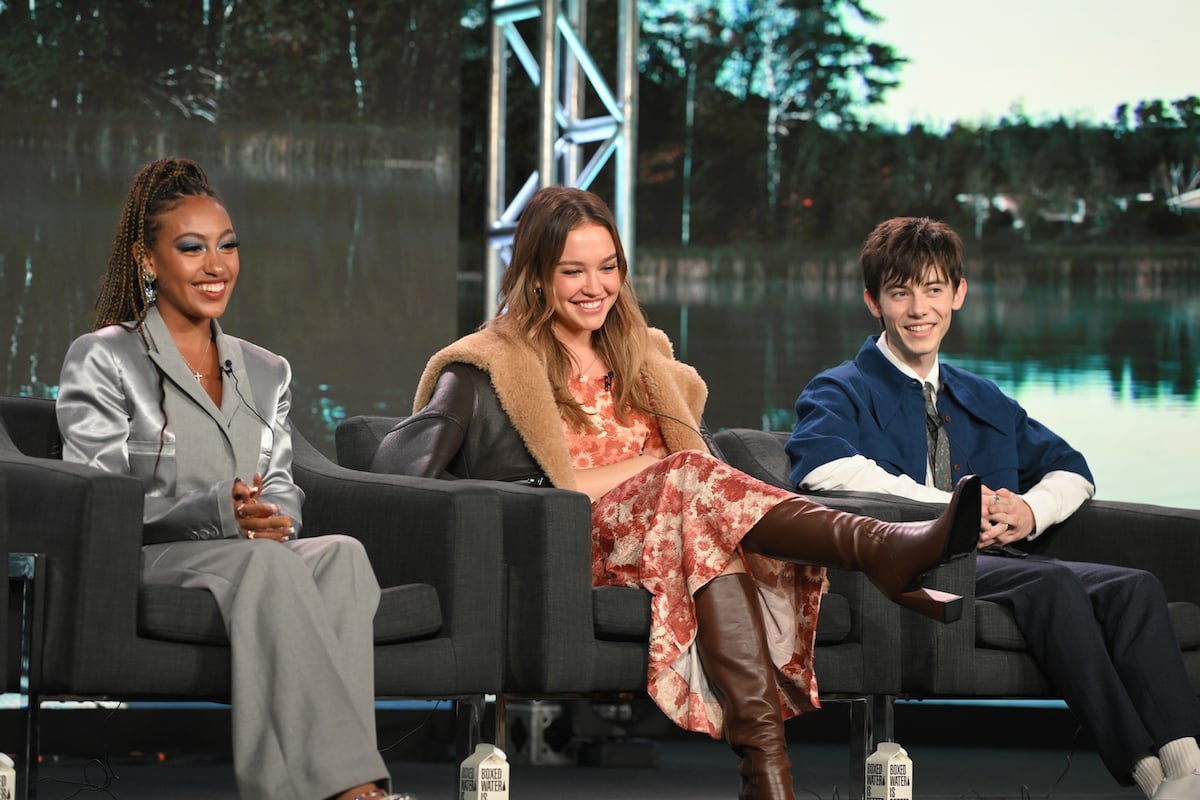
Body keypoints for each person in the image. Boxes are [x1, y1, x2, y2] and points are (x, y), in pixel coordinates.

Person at [369, 186, 982, 800]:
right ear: (535, 278)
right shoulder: (489, 366)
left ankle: (768, 779)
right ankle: (883, 549)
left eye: (607, 268)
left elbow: (697, 473)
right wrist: (590, 478)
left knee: (710, 532)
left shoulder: (644, 360)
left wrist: (666, 469)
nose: (595, 287)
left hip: (673, 537)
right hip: (572, 546)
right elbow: (398, 468)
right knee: (687, 477)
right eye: (572, 271)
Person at [786, 216, 1200, 800]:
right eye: (900, 292)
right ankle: (1151, 777)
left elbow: (1072, 469)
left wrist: (1031, 510)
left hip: (1001, 560)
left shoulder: (982, 396)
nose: (918, 309)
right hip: (913, 563)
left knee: (1135, 588)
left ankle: (1190, 769)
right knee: (1052, 584)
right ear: (872, 301)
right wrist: (955, 507)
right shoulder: (839, 388)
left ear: (958, 293)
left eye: (933, 290)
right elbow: (822, 471)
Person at [55, 158, 414, 800]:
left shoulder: (266, 371)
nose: (215, 265)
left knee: (342, 556)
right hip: (152, 555)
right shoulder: (104, 357)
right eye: (191, 248)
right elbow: (97, 498)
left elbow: (278, 480)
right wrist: (217, 511)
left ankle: (302, 790)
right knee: (271, 568)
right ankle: (354, 788)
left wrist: (277, 517)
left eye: (226, 246)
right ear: (148, 260)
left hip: (244, 555)